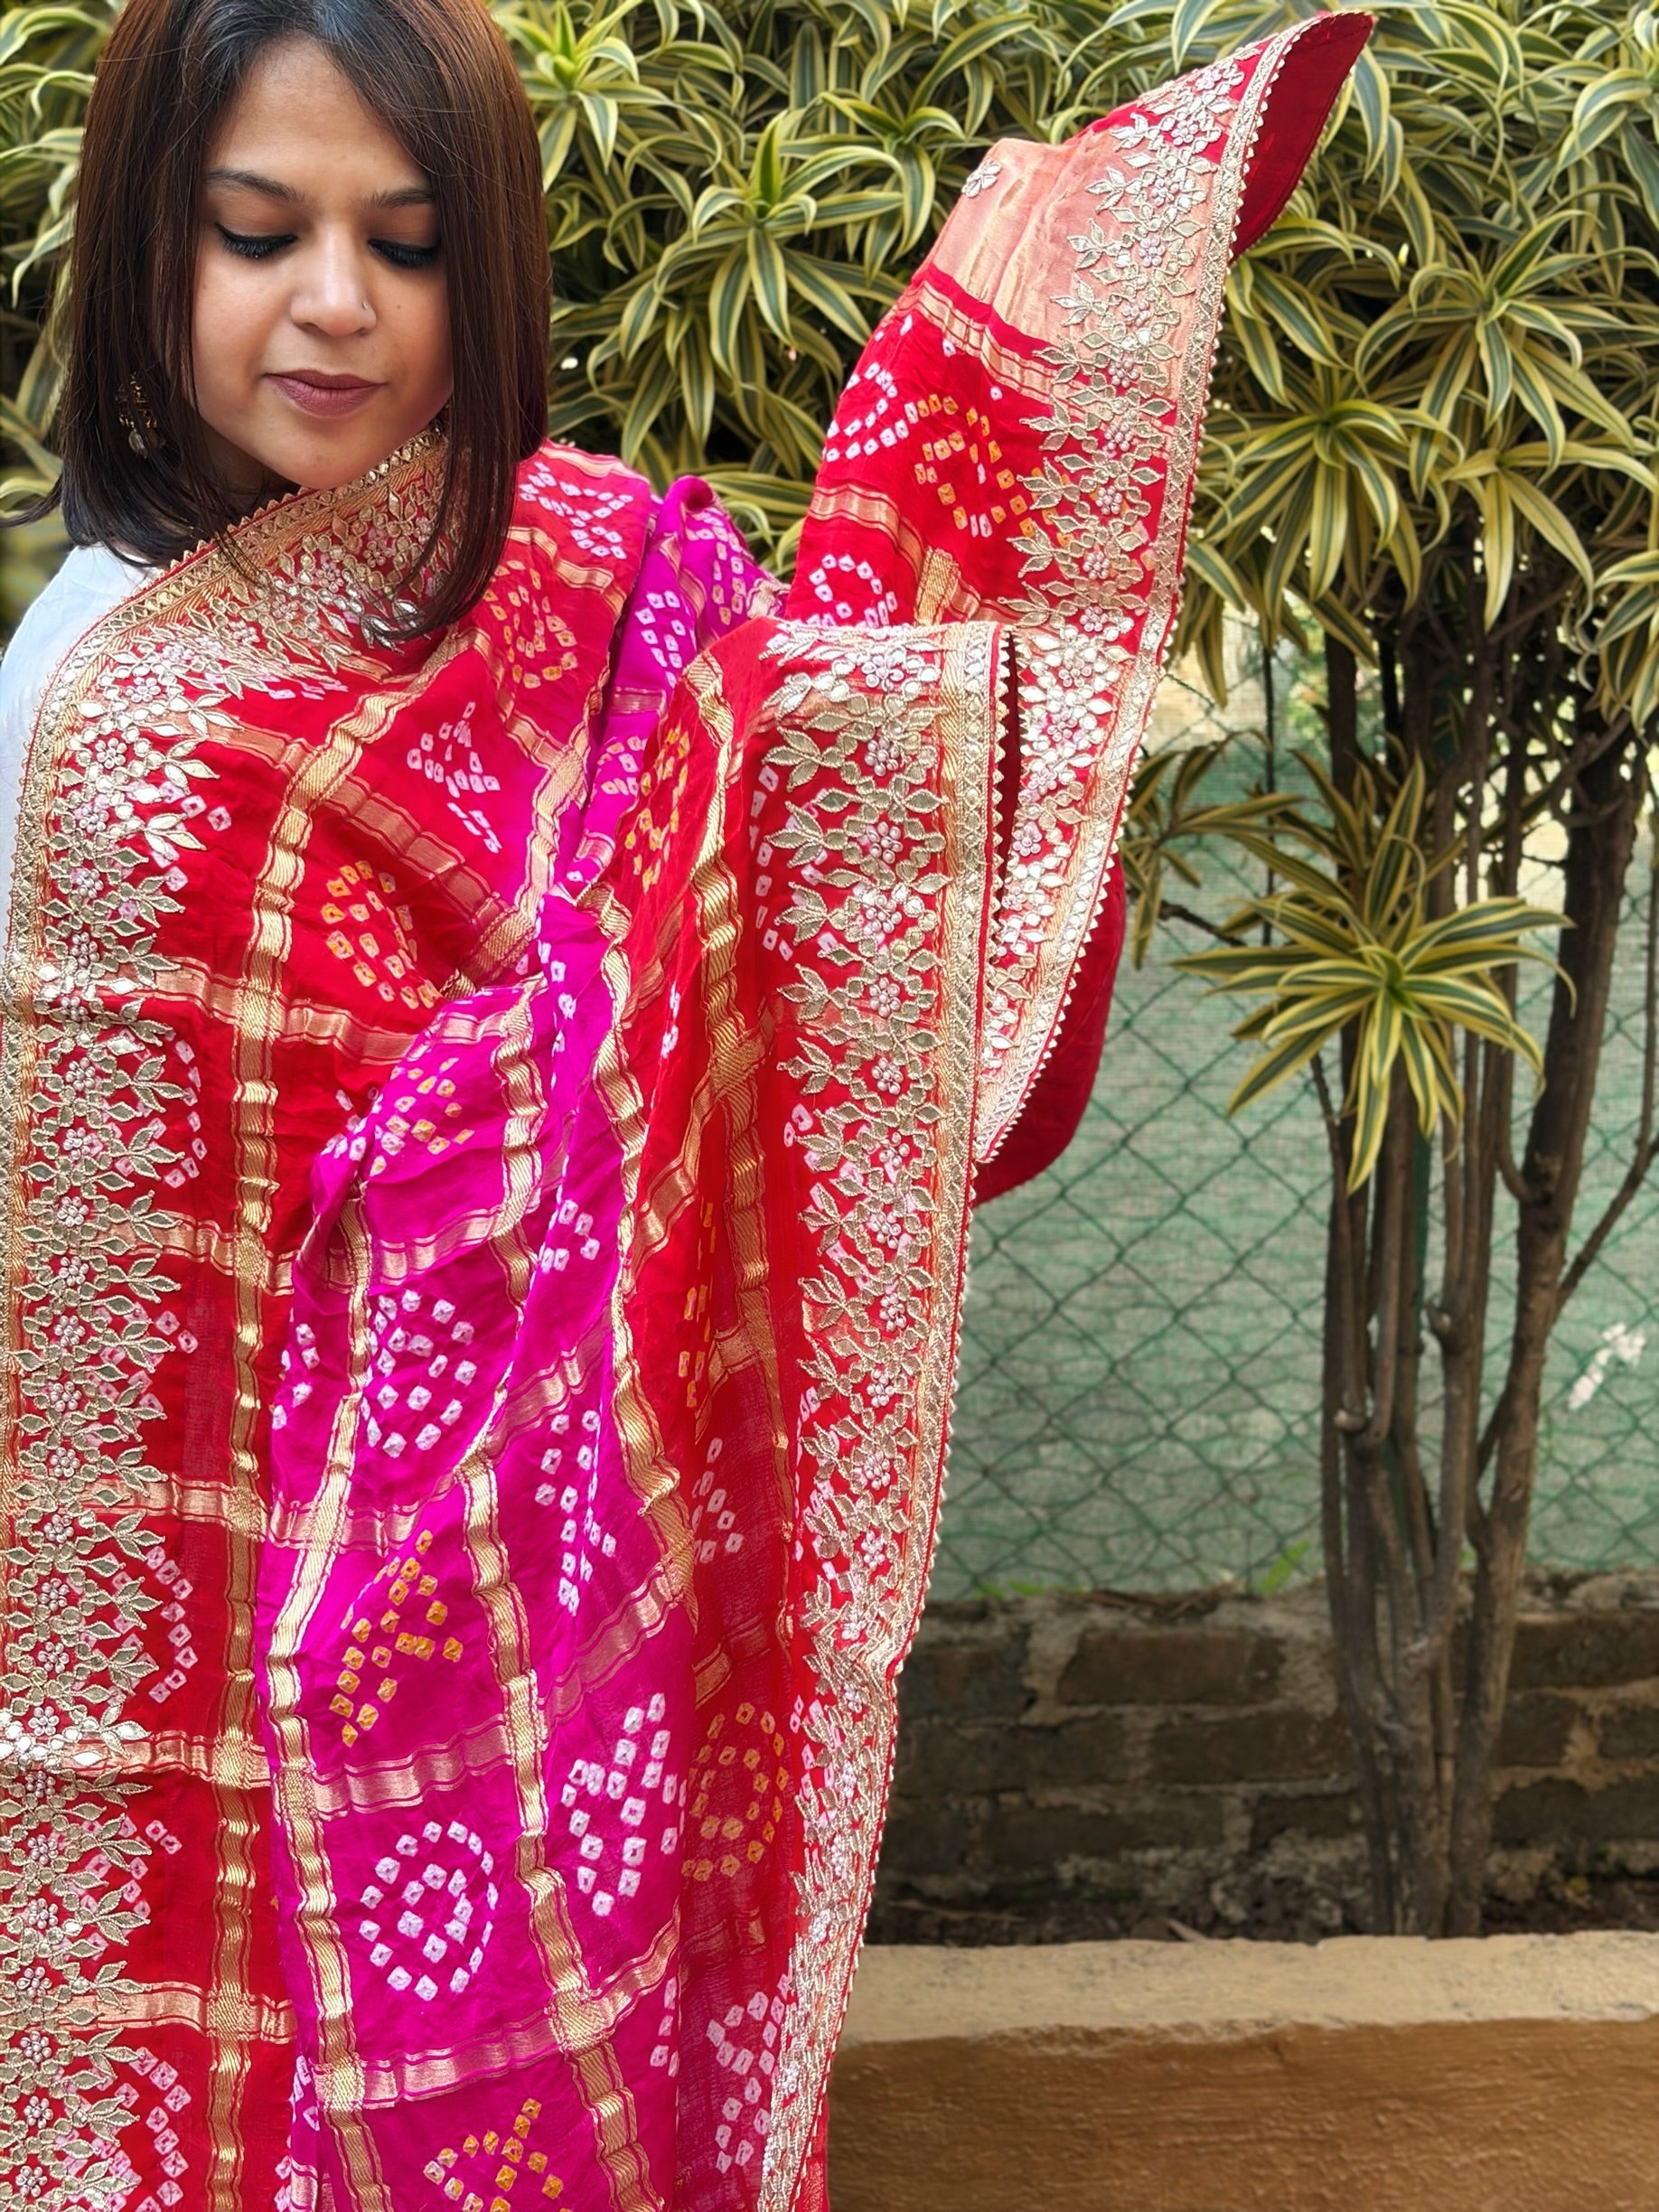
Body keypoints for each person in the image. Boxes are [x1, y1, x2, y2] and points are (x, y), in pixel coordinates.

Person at [0, 0, 1370, 2205]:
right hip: (212, 1614)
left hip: (569, 1614)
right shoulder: (98, 719)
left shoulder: (590, 576)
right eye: (258, 232)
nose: (334, 304)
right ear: (147, 256)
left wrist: (1037, 368)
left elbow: (815, 846)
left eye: (412, 241)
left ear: (501, 277)